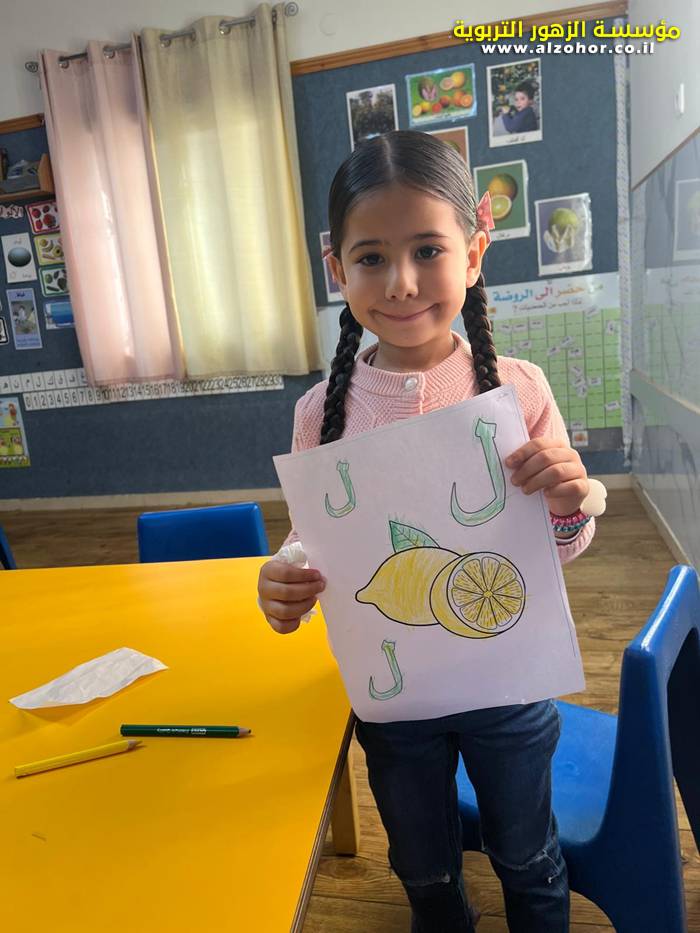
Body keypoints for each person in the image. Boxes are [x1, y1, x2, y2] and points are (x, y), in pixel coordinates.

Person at [257, 130, 595, 933]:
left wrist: (570, 500)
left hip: (509, 682)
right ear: (337, 270)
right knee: (422, 866)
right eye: (371, 257)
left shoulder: (518, 389)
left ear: (473, 254)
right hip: (394, 699)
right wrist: (285, 573)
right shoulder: (320, 410)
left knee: (529, 857)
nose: (401, 282)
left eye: (428, 250)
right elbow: (317, 539)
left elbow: (560, 548)